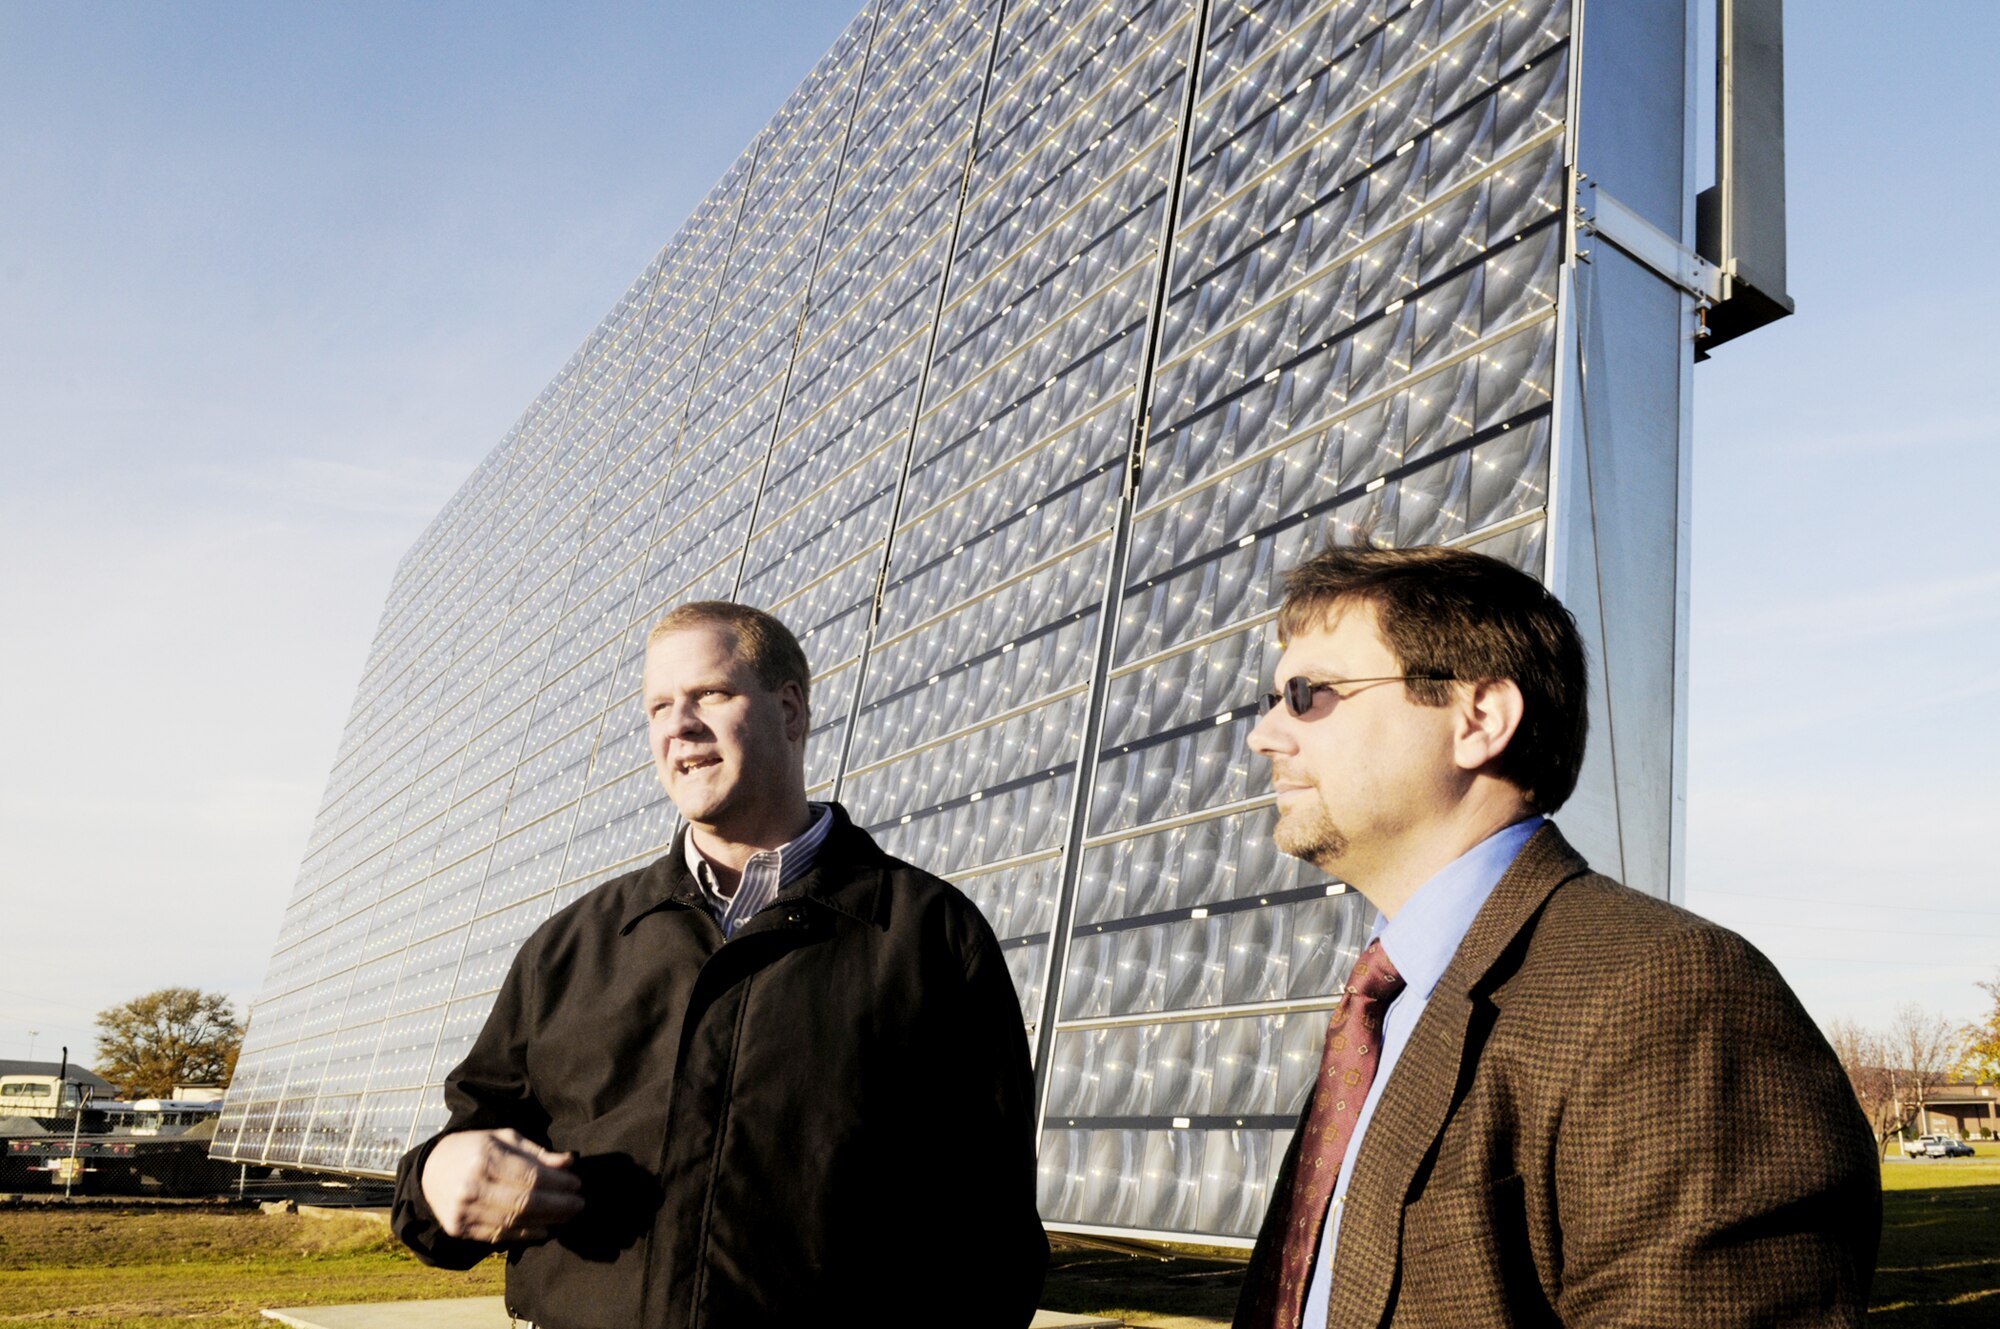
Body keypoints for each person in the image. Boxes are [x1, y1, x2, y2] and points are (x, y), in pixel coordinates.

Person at [1233, 544, 1878, 1328]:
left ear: (1478, 719)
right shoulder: (1381, 1009)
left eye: (1309, 694)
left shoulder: (1667, 992)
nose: (1265, 735)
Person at [391, 601, 1047, 1328]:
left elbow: (996, 1243)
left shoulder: (927, 937)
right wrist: (436, 1178)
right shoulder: (570, 948)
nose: (679, 725)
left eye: (710, 693)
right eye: (658, 706)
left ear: (791, 710)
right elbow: (463, 1154)